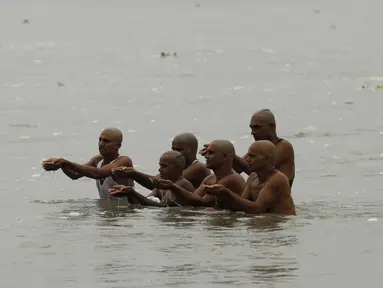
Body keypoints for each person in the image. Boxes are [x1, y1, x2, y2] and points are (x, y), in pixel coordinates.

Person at [200, 109, 295, 187]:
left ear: (272, 126)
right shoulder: (258, 149)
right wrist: (217, 154)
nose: (253, 132)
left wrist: (230, 153)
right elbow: (235, 169)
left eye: (257, 127)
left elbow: (256, 170)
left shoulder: (284, 146)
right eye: (252, 128)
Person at [203, 140, 296, 216]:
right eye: (248, 155)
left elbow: (257, 208)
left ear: (266, 159)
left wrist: (227, 193)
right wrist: (220, 199)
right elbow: (241, 204)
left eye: (252, 156)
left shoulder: (277, 179)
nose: (247, 160)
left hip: (283, 225)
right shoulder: (253, 177)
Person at [41, 127, 134, 199]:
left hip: (124, 215)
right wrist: (61, 165)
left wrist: (67, 163)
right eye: (100, 140)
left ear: (118, 145)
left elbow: (99, 173)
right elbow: (75, 175)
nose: (101, 143)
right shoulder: (97, 160)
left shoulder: (124, 161)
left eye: (106, 141)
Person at [150, 140, 246, 209]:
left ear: (225, 157)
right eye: (206, 152)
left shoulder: (231, 179)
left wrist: (173, 187)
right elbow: (194, 198)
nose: (206, 156)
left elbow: (203, 202)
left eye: (211, 153)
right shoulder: (210, 178)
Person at [109, 151, 195, 206]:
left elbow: (161, 207)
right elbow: (145, 202)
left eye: (164, 166)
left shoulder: (182, 184)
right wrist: (128, 193)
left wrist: (132, 192)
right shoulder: (162, 185)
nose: (159, 170)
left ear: (178, 168)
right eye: (160, 165)